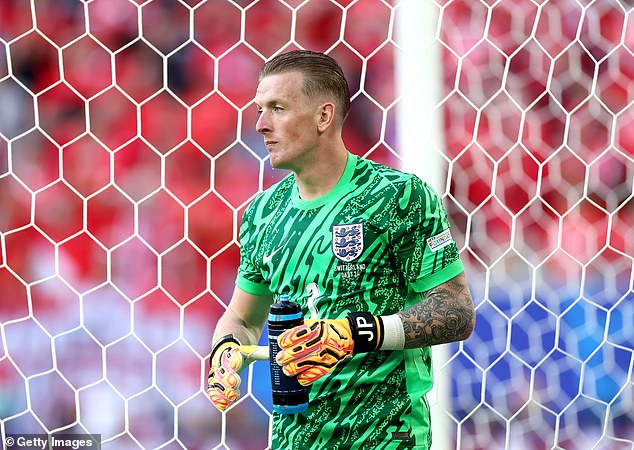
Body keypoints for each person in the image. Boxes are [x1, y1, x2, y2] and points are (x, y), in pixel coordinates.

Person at [207, 49, 475, 450]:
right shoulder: (263, 213)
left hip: (387, 436)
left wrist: (355, 333)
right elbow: (242, 318)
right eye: (260, 109)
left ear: (323, 116)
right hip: (292, 439)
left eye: (277, 108)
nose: (261, 125)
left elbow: (456, 312)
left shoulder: (398, 196)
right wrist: (226, 352)